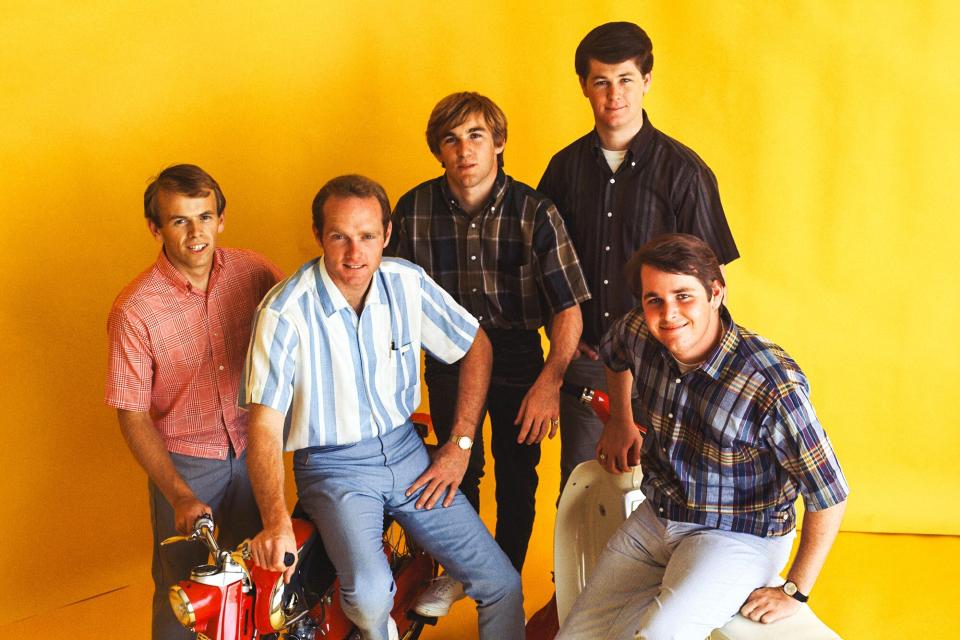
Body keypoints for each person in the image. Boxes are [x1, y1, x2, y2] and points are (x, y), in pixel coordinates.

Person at [242, 175, 525, 640]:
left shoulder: (405, 282)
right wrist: (275, 522)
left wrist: (460, 444)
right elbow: (265, 430)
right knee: (372, 594)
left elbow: (476, 345)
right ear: (319, 236)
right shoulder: (283, 311)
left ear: (387, 234)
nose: (355, 253)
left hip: (408, 452)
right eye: (340, 236)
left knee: (501, 583)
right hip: (335, 467)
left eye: (368, 236)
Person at [556, 234, 849, 639]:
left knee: (660, 635)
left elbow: (830, 492)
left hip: (739, 532)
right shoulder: (639, 330)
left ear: (716, 293)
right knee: (577, 636)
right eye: (653, 299)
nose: (668, 313)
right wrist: (620, 419)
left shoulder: (770, 381)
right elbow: (616, 353)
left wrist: (796, 589)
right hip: (659, 515)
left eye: (683, 296)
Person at [389, 92, 590, 613]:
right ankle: (467, 571)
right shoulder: (413, 210)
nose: (464, 150)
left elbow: (568, 307)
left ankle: (502, 580)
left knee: (518, 472)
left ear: (498, 142)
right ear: (438, 151)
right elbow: (387, 298)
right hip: (450, 359)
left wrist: (550, 381)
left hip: (522, 356)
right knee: (459, 465)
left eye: (476, 135)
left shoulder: (535, 211)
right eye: (451, 140)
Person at [537, 21, 740, 492]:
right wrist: (565, 342)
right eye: (601, 81)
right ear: (584, 86)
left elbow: (713, 283)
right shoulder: (562, 170)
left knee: (664, 495)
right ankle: (576, 573)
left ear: (646, 81)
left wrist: (691, 359)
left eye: (626, 79)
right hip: (586, 363)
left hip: (665, 365)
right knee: (583, 494)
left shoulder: (685, 173)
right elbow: (543, 272)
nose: (615, 94)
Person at [105, 164, 282, 639]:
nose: (196, 232)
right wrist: (179, 493)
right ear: (156, 228)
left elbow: (297, 347)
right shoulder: (135, 309)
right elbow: (133, 415)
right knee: (184, 595)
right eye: (180, 220)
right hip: (184, 465)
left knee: (261, 586)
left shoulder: (256, 272)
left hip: (255, 453)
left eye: (204, 216)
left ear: (221, 218)